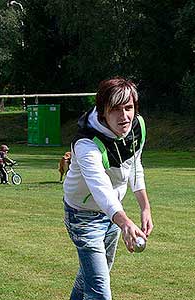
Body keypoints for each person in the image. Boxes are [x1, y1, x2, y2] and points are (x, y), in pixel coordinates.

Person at [62, 77, 154, 300]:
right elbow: (100, 188)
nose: (124, 117)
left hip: (111, 214)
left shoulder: (137, 127)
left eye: (129, 108)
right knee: (99, 291)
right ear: (103, 111)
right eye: (115, 110)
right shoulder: (86, 144)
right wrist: (125, 222)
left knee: (89, 278)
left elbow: (135, 166)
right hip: (82, 216)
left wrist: (145, 207)